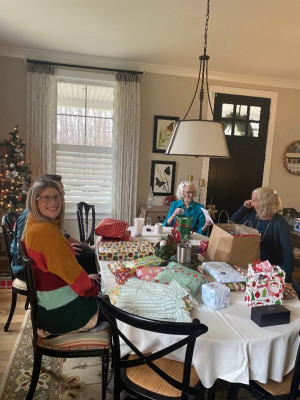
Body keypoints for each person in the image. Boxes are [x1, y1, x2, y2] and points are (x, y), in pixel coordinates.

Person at [22, 179, 105, 336]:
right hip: (61, 313)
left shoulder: (33, 225)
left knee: (102, 290)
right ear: (34, 201)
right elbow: (81, 285)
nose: (53, 202)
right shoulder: (47, 233)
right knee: (116, 306)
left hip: (47, 306)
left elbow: (57, 270)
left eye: (57, 196)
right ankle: (91, 328)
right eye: (46, 198)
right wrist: (94, 290)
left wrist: (86, 278)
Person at [10, 174, 97, 281]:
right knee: (85, 256)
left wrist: (82, 247)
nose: (63, 193)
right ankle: (90, 287)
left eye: (58, 194)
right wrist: (62, 252)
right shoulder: (30, 218)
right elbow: (25, 254)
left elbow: (64, 236)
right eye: (60, 190)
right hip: (26, 269)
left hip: (44, 262)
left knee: (85, 251)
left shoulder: (47, 217)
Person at [231, 186, 300, 296]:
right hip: (253, 266)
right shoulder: (255, 217)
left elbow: (288, 253)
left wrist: (288, 279)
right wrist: (244, 207)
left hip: (273, 268)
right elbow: (232, 222)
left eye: (254, 201)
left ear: (264, 203)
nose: (251, 203)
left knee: (296, 294)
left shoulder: (280, 223)